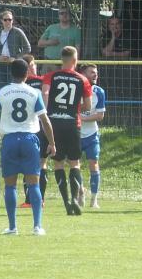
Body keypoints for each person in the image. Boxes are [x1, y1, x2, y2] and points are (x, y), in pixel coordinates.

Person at [0, 58, 56, 236]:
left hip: (9, 140)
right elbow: (44, 120)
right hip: (30, 139)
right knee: (34, 185)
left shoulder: (2, 92)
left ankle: (13, 227)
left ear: (10, 73)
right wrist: (52, 142)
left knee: (10, 186)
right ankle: (37, 226)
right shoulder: (34, 92)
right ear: (27, 74)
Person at [41, 46, 92, 215]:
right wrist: (76, 108)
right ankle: (75, 199)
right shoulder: (82, 79)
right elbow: (88, 105)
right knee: (74, 163)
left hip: (54, 124)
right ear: (75, 60)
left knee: (58, 163)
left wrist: (48, 111)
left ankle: (66, 203)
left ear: (61, 59)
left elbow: (45, 93)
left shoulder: (50, 76)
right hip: (72, 123)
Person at [20, 54, 48, 209]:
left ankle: (33, 199)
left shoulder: (20, 85)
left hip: (32, 128)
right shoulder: (43, 82)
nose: (34, 66)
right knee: (39, 163)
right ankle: (36, 199)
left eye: (34, 64)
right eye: (32, 64)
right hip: (37, 126)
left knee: (33, 163)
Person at [77, 63, 106, 210]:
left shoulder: (99, 91)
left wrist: (81, 118)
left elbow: (100, 115)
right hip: (75, 134)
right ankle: (80, 192)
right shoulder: (76, 89)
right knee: (75, 165)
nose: (95, 75)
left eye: (96, 72)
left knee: (93, 164)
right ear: (83, 74)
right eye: (92, 72)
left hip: (91, 134)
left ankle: (94, 199)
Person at [0, 10, 31, 85]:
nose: (7, 22)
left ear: (12, 21)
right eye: (5, 20)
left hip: (14, 64)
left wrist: (16, 58)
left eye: (10, 19)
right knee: (1, 87)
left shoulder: (18, 32)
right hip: (0, 64)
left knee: (12, 85)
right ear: (1, 21)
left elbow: (28, 48)